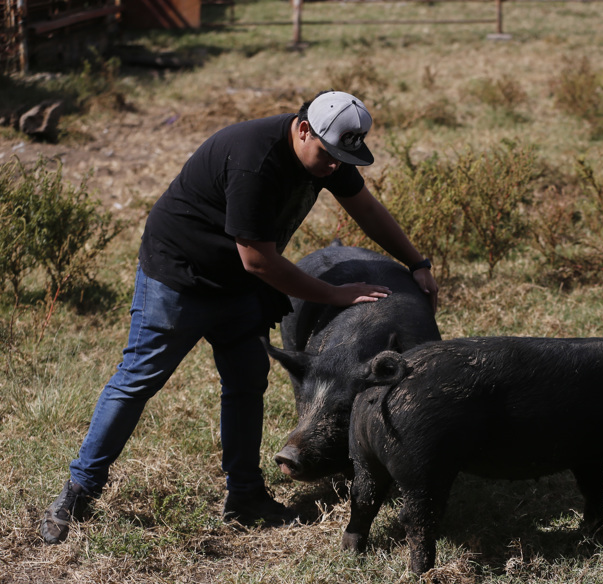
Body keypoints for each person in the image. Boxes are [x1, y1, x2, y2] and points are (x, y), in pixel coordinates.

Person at [40, 90, 438, 544]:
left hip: (238, 285)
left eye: (343, 158)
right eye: (329, 156)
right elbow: (260, 262)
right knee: (138, 379)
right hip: (179, 279)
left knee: (247, 384)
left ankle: (246, 497)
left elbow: (365, 207)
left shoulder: (326, 154)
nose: (334, 167)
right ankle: (78, 492)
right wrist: (335, 293)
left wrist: (417, 262)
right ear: (304, 129)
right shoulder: (255, 161)